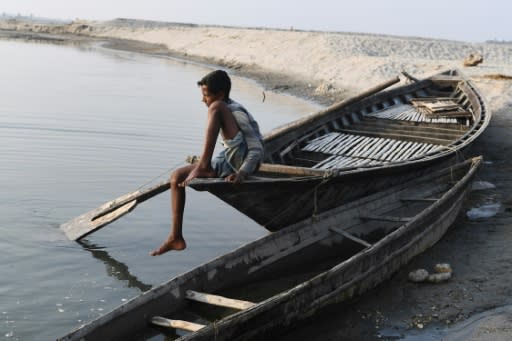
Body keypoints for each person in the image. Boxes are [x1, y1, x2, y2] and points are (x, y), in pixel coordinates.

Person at [150, 70, 264, 256]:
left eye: (206, 95)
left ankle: (204, 166)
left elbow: (257, 149)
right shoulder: (222, 108)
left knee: (215, 108)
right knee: (176, 177)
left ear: (220, 94)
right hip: (227, 159)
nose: (203, 100)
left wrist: (243, 173)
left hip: (242, 161)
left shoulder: (233, 110)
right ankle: (175, 236)